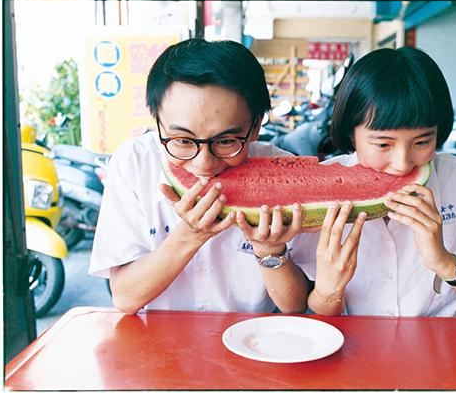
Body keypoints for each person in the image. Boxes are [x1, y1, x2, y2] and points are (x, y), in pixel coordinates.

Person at [291, 47, 456, 324]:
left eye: (422, 142)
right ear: (351, 133)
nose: (402, 164)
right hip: (357, 348)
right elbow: (315, 308)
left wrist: (445, 262)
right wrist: (328, 289)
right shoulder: (320, 187)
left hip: (446, 347)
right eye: (383, 144)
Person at [89, 38, 309, 315]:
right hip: (158, 347)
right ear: (156, 122)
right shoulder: (134, 163)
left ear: (255, 127)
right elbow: (125, 298)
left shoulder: (284, 173)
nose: (204, 163)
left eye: (227, 141)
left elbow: (295, 305)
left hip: (252, 342)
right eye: (182, 140)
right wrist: (190, 235)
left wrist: (271, 249)